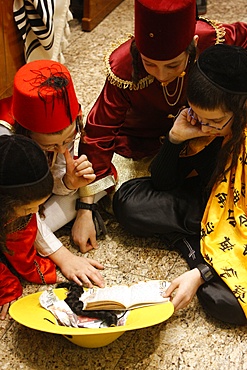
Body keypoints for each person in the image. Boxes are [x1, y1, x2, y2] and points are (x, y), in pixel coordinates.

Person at [77, 0, 247, 250]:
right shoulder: (125, 65)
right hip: (141, 146)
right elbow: (98, 132)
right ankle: (214, 216)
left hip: (208, 134)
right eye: (150, 64)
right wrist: (84, 208)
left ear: (194, 47)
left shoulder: (212, 39)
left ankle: (210, 215)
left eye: (173, 65)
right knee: (124, 204)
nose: (162, 75)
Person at [113, 44, 247, 325]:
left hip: (240, 224)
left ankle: (198, 252)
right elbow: (163, 183)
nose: (206, 127)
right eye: (200, 116)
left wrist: (201, 273)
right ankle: (202, 248)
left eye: (216, 121)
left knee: (222, 303)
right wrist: (175, 139)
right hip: (210, 205)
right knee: (128, 201)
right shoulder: (201, 124)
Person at [0, 60, 105, 288]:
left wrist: (69, 182)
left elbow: (50, 184)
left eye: (67, 141)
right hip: (12, 205)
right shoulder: (7, 143)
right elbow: (21, 203)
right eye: (49, 146)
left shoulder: (67, 125)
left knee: (97, 183)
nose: (61, 150)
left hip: (32, 203)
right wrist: (63, 257)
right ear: (26, 134)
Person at [0, 134, 61, 319]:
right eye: (28, 208)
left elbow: (22, 242)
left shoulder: (15, 212)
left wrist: (53, 271)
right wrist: (6, 287)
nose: (35, 211)